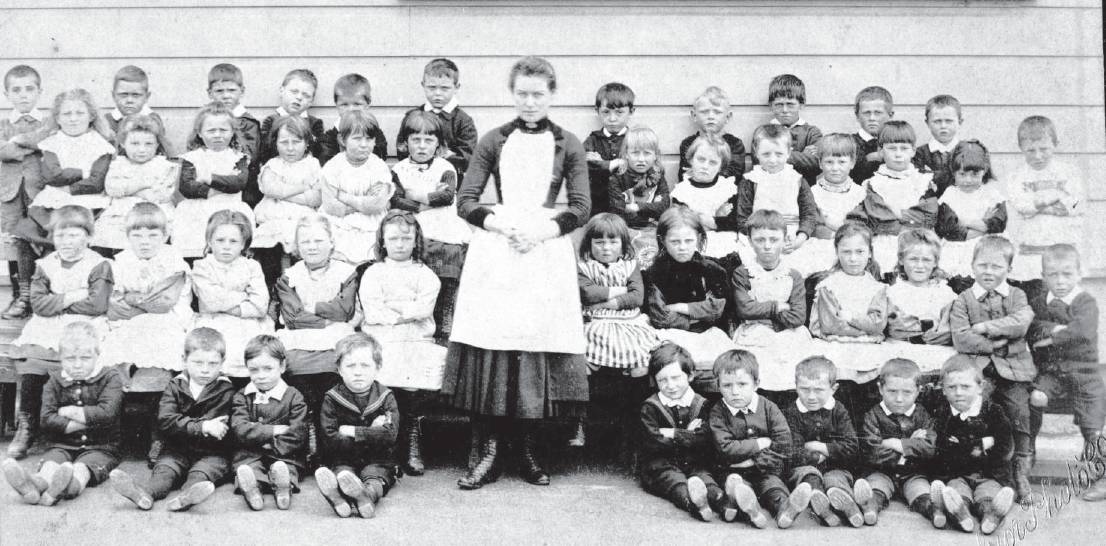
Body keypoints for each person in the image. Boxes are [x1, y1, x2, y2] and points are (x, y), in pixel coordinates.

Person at [441, 56, 590, 490]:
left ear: (551, 95)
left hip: (544, 250)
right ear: (513, 93)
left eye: (537, 94)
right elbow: (466, 200)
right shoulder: (494, 139)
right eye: (521, 93)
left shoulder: (569, 142)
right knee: (493, 346)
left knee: (533, 347)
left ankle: (525, 449)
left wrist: (542, 231)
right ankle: (486, 452)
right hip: (498, 251)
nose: (529, 102)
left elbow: (581, 206)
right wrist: (501, 225)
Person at [8, 206, 113, 461]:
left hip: (86, 322)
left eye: (74, 235)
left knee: (81, 356)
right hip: (48, 324)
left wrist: (58, 301)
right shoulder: (45, 264)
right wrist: (74, 295)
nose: (66, 242)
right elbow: (39, 305)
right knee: (32, 359)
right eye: (60, 236)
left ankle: (77, 430)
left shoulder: (99, 264)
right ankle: (27, 424)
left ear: (88, 237)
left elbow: (96, 304)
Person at [107, 327, 235, 511]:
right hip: (177, 448)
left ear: (223, 363)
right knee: (164, 472)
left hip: (211, 452)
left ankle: (187, 497)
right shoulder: (175, 386)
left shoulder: (226, 390)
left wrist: (198, 426)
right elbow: (166, 420)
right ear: (184, 360)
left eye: (212, 364)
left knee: (201, 474)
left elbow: (223, 426)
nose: (205, 370)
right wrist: (203, 426)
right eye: (198, 363)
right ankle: (143, 494)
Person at [949, 235, 1037, 503]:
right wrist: (999, 343)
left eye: (997, 267)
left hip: (1013, 370)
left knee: (1019, 410)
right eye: (983, 265)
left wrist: (986, 328)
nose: (988, 272)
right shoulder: (964, 299)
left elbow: (1020, 324)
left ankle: (1020, 472)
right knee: (977, 410)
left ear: (1009, 269)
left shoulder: (1017, 295)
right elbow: (961, 337)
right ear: (973, 265)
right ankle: (978, 468)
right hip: (981, 371)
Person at [359, 211, 447, 476]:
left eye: (406, 238)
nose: (400, 244)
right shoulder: (374, 273)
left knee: (412, 380)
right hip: (381, 338)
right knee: (380, 373)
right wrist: (406, 310)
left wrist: (394, 310)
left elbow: (424, 309)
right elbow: (373, 311)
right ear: (383, 241)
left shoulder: (426, 275)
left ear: (415, 240)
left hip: (415, 337)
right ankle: (385, 445)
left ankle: (411, 439)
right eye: (393, 238)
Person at [2, 322, 122, 506]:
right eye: (70, 359)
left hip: (101, 447)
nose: (77, 365)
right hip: (62, 444)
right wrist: (89, 419)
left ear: (98, 355)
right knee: (50, 466)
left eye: (85, 358)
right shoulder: (55, 381)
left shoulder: (110, 377)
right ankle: (33, 486)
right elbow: (47, 419)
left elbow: (108, 414)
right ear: (61, 358)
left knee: (82, 469)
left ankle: (67, 487)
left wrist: (70, 412)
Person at [273, 214, 358, 463]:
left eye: (319, 240)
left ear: (332, 242)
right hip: (299, 339)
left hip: (334, 339)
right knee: (300, 383)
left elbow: (345, 311)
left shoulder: (346, 272)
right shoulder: (290, 275)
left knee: (331, 382)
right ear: (297, 246)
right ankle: (307, 436)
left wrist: (312, 307)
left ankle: (327, 444)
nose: (312, 246)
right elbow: (292, 317)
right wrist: (327, 317)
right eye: (305, 241)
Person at [1027, 244, 1106, 501]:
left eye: (1067, 274)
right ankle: (1027, 453)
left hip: (1085, 374)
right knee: (1035, 398)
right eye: (1053, 274)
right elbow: (1033, 328)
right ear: (1044, 276)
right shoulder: (1040, 302)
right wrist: (1059, 329)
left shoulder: (1085, 301)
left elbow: (1083, 331)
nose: (1060, 281)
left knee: (1093, 423)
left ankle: (1099, 473)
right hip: (1051, 372)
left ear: (1079, 274)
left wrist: (1051, 337)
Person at [575, 213, 660, 446]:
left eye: (613, 242)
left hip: (628, 322)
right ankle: (582, 424)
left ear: (623, 244)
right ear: (589, 244)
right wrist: (619, 291)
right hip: (596, 323)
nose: (606, 248)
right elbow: (587, 293)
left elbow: (637, 296)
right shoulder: (584, 266)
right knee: (586, 362)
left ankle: (634, 424)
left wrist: (605, 301)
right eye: (599, 242)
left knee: (640, 363)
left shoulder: (630, 265)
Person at [709, 350, 810, 529]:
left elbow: (784, 442)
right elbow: (725, 447)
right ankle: (751, 510)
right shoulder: (718, 412)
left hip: (767, 470)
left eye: (742, 384)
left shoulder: (769, 407)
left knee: (774, 488)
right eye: (727, 385)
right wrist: (760, 443)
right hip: (733, 471)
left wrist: (753, 461)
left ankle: (785, 509)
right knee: (738, 486)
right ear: (718, 386)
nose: (734, 392)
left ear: (756, 384)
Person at [13, 89, 113, 256]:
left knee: (79, 231)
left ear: (91, 116)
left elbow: (96, 183)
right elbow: (52, 176)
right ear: (58, 118)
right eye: (67, 114)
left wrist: (69, 189)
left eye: (80, 113)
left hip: (89, 203)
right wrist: (82, 172)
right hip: (53, 200)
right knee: (26, 231)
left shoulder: (100, 144)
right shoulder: (52, 143)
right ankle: (29, 279)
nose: (73, 119)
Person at [314, 333, 400, 519]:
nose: (358, 372)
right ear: (339, 369)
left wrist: (352, 431)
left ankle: (365, 496)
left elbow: (390, 435)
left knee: (375, 478)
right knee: (343, 474)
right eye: (350, 366)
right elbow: (329, 438)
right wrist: (372, 432)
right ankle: (338, 498)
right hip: (344, 457)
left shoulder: (385, 397)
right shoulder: (331, 398)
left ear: (377, 368)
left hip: (378, 459)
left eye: (365, 365)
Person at [930, 355, 1017, 535]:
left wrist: (962, 446)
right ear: (943, 390)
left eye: (965, 387)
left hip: (989, 472)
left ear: (980, 387)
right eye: (952, 387)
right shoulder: (943, 414)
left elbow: (1004, 446)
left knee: (988, 492)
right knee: (956, 491)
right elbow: (942, 449)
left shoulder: (993, 412)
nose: (959, 393)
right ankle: (961, 514)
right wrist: (982, 444)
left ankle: (991, 515)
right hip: (957, 473)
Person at [636, 343, 723, 521]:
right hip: (661, 464)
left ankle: (725, 504)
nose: (670, 385)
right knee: (675, 483)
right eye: (662, 380)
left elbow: (705, 439)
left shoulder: (702, 404)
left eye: (676, 378)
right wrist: (687, 434)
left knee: (706, 479)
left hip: (694, 462)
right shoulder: (651, 407)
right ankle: (695, 504)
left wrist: (673, 433)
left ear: (690, 375)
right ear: (655, 381)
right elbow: (653, 442)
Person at [190, 210, 273, 382]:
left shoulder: (251, 267)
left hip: (247, 324)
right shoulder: (202, 267)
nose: (226, 246)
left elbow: (260, 305)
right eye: (220, 240)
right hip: (213, 322)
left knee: (253, 351)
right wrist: (243, 296)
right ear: (210, 241)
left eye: (233, 241)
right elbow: (211, 301)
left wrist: (226, 302)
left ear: (243, 244)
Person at [783, 356, 866, 528]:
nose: (811, 396)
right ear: (795, 386)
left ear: (833, 388)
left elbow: (852, 447)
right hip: (804, 468)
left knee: (836, 481)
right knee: (809, 477)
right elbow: (791, 451)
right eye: (804, 389)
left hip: (836, 468)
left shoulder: (839, 411)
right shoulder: (791, 412)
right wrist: (818, 457)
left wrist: (818, 447)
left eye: (819, 390)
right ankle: (822, 508)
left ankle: (850, 509)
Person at [859, 358, 943, 527]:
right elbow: (872, 451)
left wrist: (896, 444)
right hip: (882, 472)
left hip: (913, 474)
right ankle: (869, 509)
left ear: (918, 391)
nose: (899, 399)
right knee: (875, 490)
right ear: (880, 389)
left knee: (922, 493)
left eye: (907, 392)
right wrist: (911, 445)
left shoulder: (922, 415)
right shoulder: (872, 415)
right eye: (892, 391)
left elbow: (930, 447)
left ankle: (936, 512)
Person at [847, 120, 938, 271]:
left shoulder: (922, 181)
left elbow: (928, 214)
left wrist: (898, 217)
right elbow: (876, 216)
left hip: (917, 240)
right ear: (881, 152)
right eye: (892, 148)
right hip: (885, 241)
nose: (898, 154)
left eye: (904, 148)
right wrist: (905, 218)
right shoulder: (873, 183)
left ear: (913, 151)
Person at [644, 207, 732, 363]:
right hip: (672, 335)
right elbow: (660, 317)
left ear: (698, 238)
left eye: (688, 241)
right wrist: (698, 315)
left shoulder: (712, 270)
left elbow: (718, 308)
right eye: (675, 242)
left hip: (709, 334)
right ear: (663, 240)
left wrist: (680, 307)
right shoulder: (655, 273)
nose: (682, 247)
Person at [231, 335, 308, 511]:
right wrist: (273, 431)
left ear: (282, 366)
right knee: (247, 468)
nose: (261, 376)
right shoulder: (242, 396)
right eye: (254, 370)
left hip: (285, 454)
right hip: (250, 453)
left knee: (285, 468)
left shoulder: (293, 395)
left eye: (268, 368)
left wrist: (268, 443)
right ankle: (253, 491)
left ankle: (283, 488)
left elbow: (297, 433)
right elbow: (239, 428)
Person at [1006, 115, 1084, 279]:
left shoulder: (1069, 173)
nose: (1038, 156)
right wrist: (1053, 199)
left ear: (1055, 145)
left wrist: (1037, 206)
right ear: (1021, 148)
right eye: (1031, 150)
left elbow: (1074, 206)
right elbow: (1023, 207)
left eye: (1044, 149)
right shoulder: (1017, 177)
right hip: (1031, 250)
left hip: (1064, 250)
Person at [175, 103, 253, 259]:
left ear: (232, 132)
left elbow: (239, 182)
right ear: (200, 133)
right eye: (211, 130)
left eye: (223, 130)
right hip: (198, 211)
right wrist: (212, 191)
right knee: (196, 249)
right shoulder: (192, 158)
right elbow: (187, 186)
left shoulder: (237, 157)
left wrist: (210, 178)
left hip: (229, 211)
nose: (217, 135)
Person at [252, 114, 323, 285]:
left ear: (307, 142)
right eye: (284, 142)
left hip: (302, 221)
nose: (290, 148)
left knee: (300, 252)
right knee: (272, 253)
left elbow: (315, 198)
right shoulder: (273, 165)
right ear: (275, 143)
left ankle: (296, 291)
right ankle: (276, 291)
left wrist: (284, 191)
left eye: (296, 142)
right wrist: (302, 187)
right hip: (274, 219)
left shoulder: (312, 165)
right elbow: (271, 189)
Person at [91, 114, 178, 253]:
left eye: (148, 144)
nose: (142, 149)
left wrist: (128, 188)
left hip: (153, 214)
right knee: (114, 237)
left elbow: (161, 195)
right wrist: (142, 185)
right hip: (121, 214)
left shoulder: (163, 165)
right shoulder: (118, 164)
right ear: (123, 144)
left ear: (157, 145)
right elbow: (112, 189)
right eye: (135, 144)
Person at [0, 64, 47, 319]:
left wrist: (17, 143)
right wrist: (29, 144)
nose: (23, 95)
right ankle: (20, 296)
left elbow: (45, 140)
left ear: (40, 91)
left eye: (29, 89)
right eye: (16, 90)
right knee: (14, 242)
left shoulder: (47, 122)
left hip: (38, 191)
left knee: (38, 238)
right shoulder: (3, 123)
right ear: (7, 94)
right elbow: (3, 151)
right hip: (9, 195)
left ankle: (38, 294)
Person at [318, 110, 395, 265]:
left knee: (368, 257)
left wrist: (343, 196)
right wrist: (362, 203)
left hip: (370, 223)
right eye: (357, 138)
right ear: (342, 139)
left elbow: (376, 205)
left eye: (369, 139)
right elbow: (331, 206)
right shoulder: (333, 166)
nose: (364, 145)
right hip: (338, 222)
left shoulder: (378, 166)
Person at [734, 124, 818, 256]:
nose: (773, 160)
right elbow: (743, 218)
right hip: (758, 241)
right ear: (756, 152)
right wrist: (760, 240)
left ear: (789, 152)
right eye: (766, 154)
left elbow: (809, 214)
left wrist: (799, 239)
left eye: (779, 154)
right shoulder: (751, 180)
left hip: (792, 240)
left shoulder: (797, 180)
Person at [730, 209, 808, 348]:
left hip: (789, 332)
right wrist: (778, 307)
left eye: (774, 240)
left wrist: (761, 310)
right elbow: (745, 310)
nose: (767, 246)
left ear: (785, 240)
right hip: (754, 332)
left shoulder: (793, 275)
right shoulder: (743, 273)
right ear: (750, 241)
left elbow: (798, 317)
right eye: (760, 240)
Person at [395, 59, 479, 182]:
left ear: (456, 87)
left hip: (449, 181)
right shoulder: (412, 116)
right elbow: (401, 149)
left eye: (445, 88)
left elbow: (468, 159)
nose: (438, 93)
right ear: (423, 85)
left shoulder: (463, 121)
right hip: (414, 177)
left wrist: (445, 156)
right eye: (432, 87)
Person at [934, 140, 1007, 278]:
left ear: (984, 171)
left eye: (974, 174)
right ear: (954, 172)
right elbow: (951, 230)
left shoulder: (991, 195)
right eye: (962, 174)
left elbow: (998, 225)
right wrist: (983, 223)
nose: (968, 180)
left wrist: (965, 221)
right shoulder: (950, 195)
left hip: (987, 249)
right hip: (957, 251)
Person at [252, 69, 325, 205]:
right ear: (282, 91)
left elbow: (317, 153)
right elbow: (266, 151)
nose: (299, 97)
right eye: (294, 92)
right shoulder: (271, 120)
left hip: (304, 176)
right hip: (278, 174)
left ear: (311, 102)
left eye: (306, 95)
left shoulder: (315, 123)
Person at [808, 222, 889, 343]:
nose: (853, 258)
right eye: (846, 252)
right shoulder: (828, 286)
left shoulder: (877, 288)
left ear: (870, 252)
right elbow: (831, 326)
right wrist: (866, 330)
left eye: (859, 252)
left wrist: (851, 318)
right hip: (834, 342)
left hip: (869, 344)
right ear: (837, 252)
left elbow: (878, 324)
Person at [670, 136, 740, 257]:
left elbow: (734, 222)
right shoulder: (682, 191)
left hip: (724, 240)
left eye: (713, 162)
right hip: (695, 241)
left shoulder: (727, 188)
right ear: (691, 159)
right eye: (701, 159)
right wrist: (718, 217)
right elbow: (682, 222)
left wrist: (710, 221)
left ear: (721, 167)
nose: (705, 166)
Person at [885, 229, 955, 344]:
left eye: (926, 260)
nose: (920, 266)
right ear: (901, 259)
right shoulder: (892, 293)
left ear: (935, 262)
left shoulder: (945, 293)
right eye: (913, 259)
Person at [583, 82, 635, 216]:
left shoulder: (635, 139)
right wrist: (614, 164)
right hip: (598, 206)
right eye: (606, 112)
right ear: (597, 111)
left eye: (619, 112)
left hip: (627, 206)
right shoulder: (593, 140)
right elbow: (584, 165)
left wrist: (601, 164)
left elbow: (637, 167)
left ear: (631, 111)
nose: (612, 118)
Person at [206, 63, 262, 178]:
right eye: (219, 91)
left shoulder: (248, 122)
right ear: (210, 93)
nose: (226, 95)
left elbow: (250, 156)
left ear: (242, 91)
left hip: (241, 179)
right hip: (211, 174)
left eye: (231, 90)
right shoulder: (206, 120)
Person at [678, 86, 745, 179]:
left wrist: (701, 174)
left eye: (717, 112)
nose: (710, 116)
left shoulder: (735, 144)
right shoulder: (688, 143)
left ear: (728, 117)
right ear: (694, 115)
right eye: (704, 112)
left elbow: (734, 175)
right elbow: (684, 175)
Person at [319, 73, 388, 165]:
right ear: (336, 104)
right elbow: (326, 162)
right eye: (344, 104)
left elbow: (380, 156)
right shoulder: (329, 137)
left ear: (368, 104)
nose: (350, 109)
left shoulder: (374, 132)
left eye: (357, 104)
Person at [765, 74, 822, 184]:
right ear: (771, 105)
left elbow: (816, 163)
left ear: (801, 105)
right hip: (771, 189)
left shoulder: (812, 132)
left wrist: (774, 154)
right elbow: (759, 161)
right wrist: (802, 156)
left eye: (790, 104)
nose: (785, 110)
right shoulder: (763, 132)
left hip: (803, 191)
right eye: (779, 105)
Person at [914, 95, 965, 196]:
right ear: (927, 123)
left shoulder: (968, 151)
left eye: (949, 121)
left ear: (960, 122)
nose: (943, 126)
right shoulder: (918, 154)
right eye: (937, 121)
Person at [849, 86, 894, 184]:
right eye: (866, 113)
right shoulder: (848, 143)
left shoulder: (897, 143)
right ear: (857, 116)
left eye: (877, 113)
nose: (872, 118)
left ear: (890, 115)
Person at [104, 65, 162, 136]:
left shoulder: (153, 120)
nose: (129, 100)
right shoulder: (107, 121)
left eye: (136, 95)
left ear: (147, 97)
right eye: (124, 94)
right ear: (113, 95)